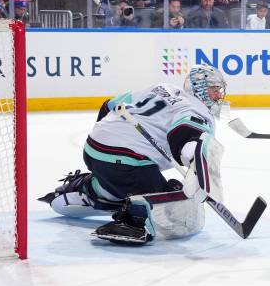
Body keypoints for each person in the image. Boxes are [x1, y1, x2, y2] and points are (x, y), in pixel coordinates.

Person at [38, 64, 227, 245]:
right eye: (214, 90)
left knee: (127, 180)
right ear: (199, 88)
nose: (219, 96)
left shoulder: (164, 87)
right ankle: (132, 220)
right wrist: (196, 165)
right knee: (174, 203)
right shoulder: (197, 110)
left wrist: (105, 137)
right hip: (127, 161)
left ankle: (92, 188)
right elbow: (184, 134)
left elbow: (108, 105)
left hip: (94, 150)